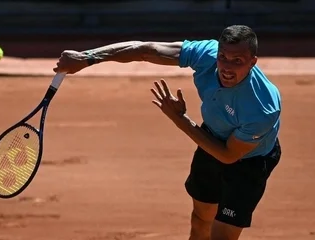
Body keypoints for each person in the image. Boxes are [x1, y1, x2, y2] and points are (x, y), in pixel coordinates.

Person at [53, 25, 282, 240]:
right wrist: (88, 58)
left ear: (253, 62)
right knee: (201, 219)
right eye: (223, 57)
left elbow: (228, 155)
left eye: (237, 61)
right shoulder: (207, 54)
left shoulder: (262, 108)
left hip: (248, 161)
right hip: (210, 138)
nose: (227, 67)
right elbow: (145, 50)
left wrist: (179, 119)